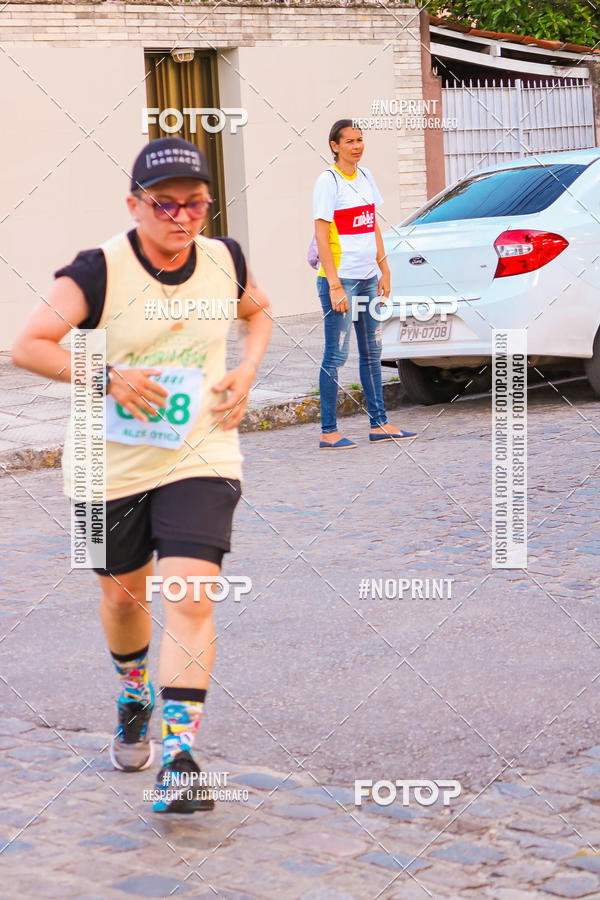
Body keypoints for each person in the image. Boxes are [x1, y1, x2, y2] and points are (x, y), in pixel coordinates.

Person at [12, 137, 272, 813]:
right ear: (135, 205)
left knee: (189, 597)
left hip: (201, 453)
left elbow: (260, 311)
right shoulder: (98, 270)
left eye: (196, 204)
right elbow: (29, 345)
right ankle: (133, 691)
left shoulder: (225, 260)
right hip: (107, 466)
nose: (182, 218)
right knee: (124, 600)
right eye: (165, 205)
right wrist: (107, 377)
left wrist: (245, 370)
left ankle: (180, 758)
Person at [313, 119, 417, 449]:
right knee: (336, 355)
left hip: (369, 277)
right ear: (334, 146)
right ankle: (328, 431)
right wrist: (334, 286)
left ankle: (379, 424)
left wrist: (384, 269)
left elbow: (373, 226)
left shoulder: (367, 177)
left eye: (360, 140)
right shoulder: (328, 182)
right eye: (350, 141)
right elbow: (321, 234)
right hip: (341, 280)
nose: (357, 146)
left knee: (373, 352)